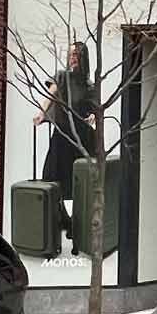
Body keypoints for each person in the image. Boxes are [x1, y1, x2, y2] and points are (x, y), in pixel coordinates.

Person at [32, 42, 98, 239]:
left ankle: (76, 225)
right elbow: (50, 95)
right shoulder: (61, 76)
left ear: (83, 58)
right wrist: (41, 113)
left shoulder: (89, 85)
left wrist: (94, 116)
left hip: (82, 139)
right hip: (62, 136)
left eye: (76, 55)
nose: (72, 58)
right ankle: (62, 219)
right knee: (52, 176)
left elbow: (94, 108)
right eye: (70, 54)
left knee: (80, 183)